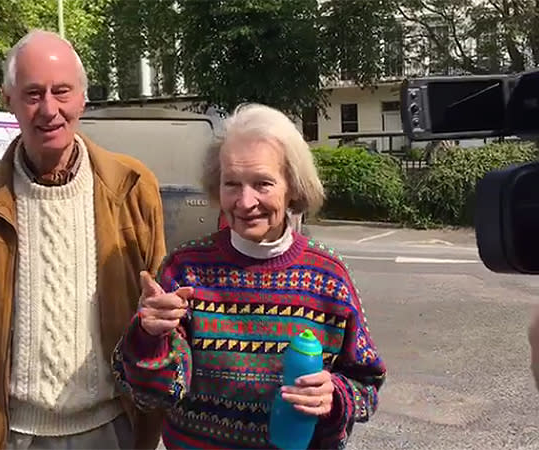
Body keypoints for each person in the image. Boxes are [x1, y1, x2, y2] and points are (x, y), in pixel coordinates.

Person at [112, 103, 387, 449]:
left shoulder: (328, 277)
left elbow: (367, 382)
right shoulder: (186, 271)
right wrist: (149, 336)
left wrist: (335, 397)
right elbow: (152, 396)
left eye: (262, 183)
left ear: (292, 186)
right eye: (232, 184)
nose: (245, 201)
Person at [0, 29, 165, 450]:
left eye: (62, 91)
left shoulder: (133, 187)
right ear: (8, 100)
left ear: (83, 97)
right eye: (32, 93)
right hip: (17, 434)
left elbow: (154, 294)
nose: (49, 109)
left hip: (115, 426)